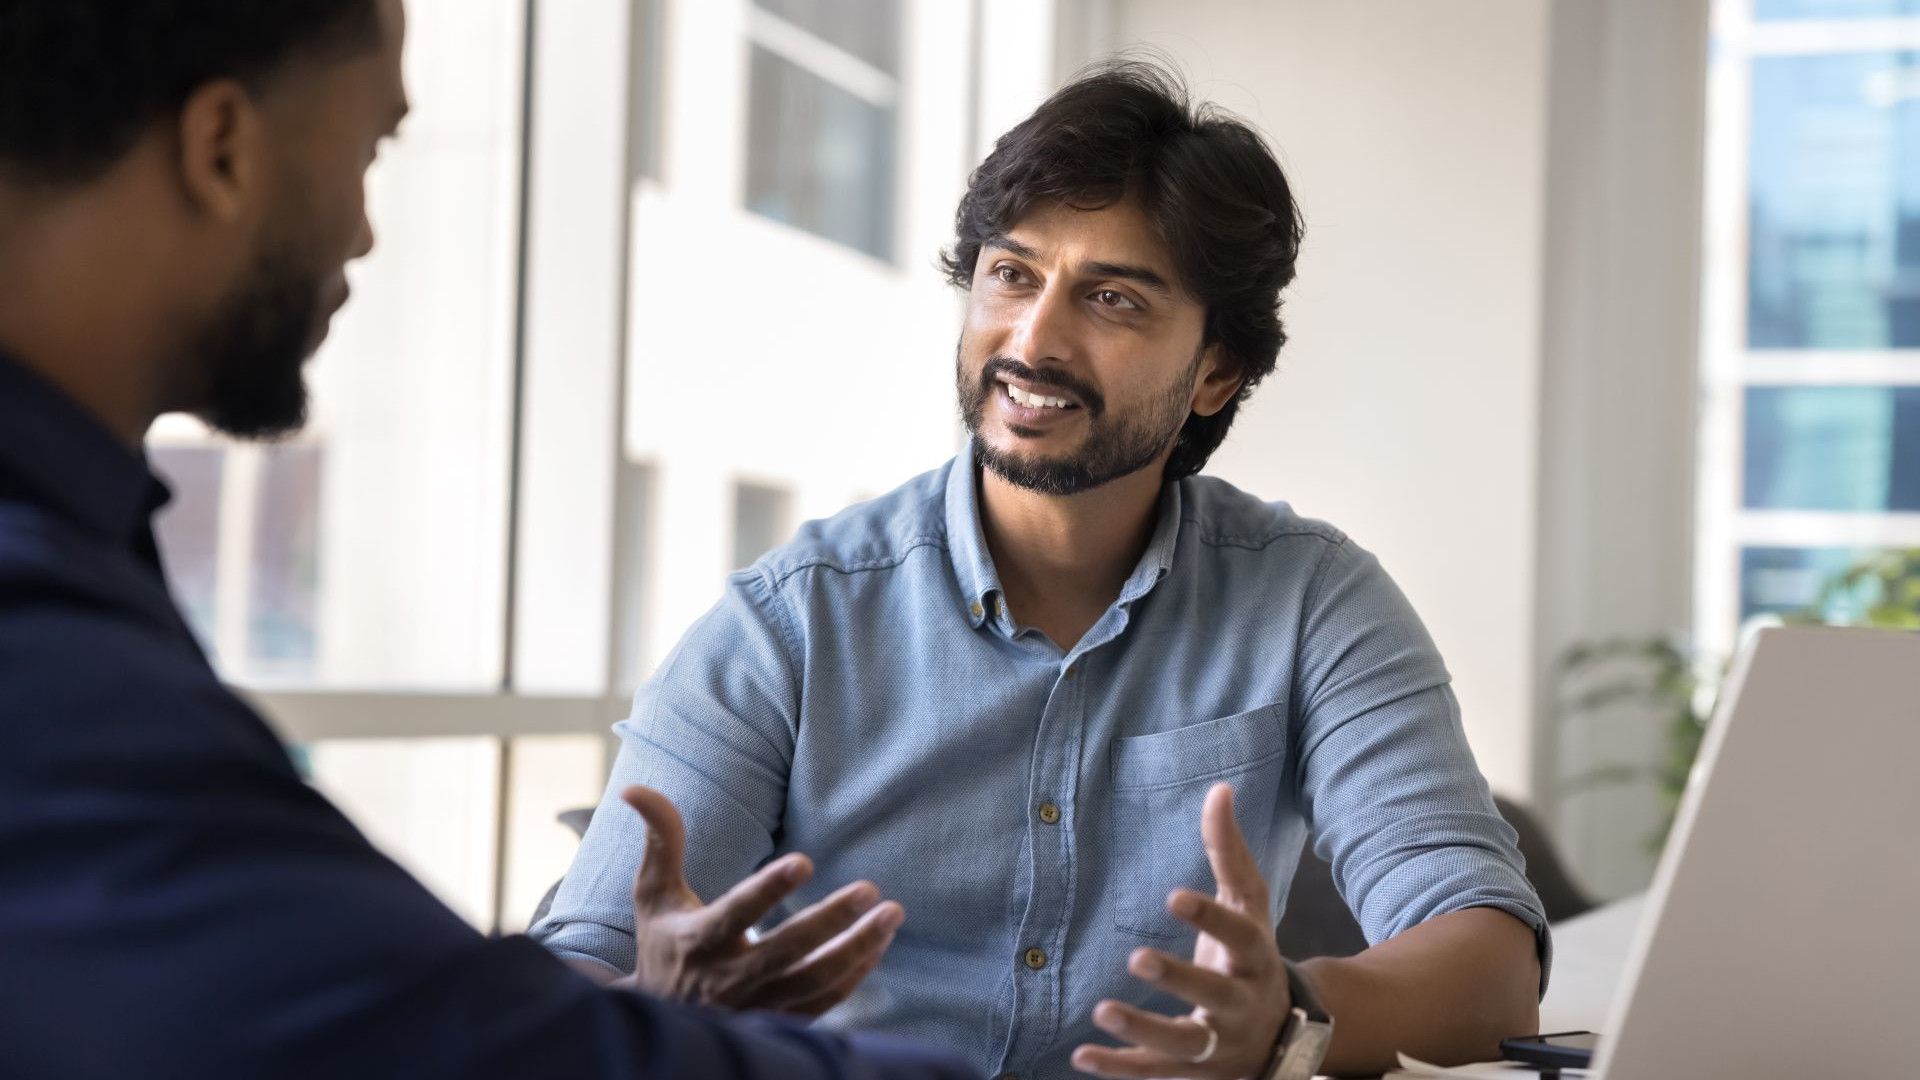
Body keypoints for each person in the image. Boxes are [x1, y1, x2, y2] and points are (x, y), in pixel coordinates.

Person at [0, 3, 974, 1078]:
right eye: (369, 152)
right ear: (222, 149)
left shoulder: (79, 535)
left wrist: (655, 1009)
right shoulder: (40, 636)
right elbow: (425, 1036)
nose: (364, 233)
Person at [534, 61, 1551, 1080]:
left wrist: (1287, 1019)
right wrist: (651, 1005)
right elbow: (574, 971)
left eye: (1112, 299)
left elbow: (1491, 966)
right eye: (1012, 275)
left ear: (1216, 371)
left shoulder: (1313, 604)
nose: (1034, 339)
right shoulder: (789, 623)